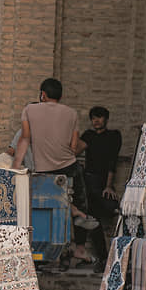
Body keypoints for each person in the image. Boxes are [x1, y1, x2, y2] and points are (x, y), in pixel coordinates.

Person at [12, 78, 99, 264]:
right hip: (70, 166)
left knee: (51, 203)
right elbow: (74, 146)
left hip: (45, 170)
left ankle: (71, 211)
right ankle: (80, 243)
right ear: (61, 96)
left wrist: (15, 168)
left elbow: (25, 140)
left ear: (42, 94)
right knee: (82, 202)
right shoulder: (71, 113)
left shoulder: (29, 110)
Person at [77, 106, 123, 268]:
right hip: (87, 182)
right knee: (88, 216)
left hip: (101, 183)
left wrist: (108, 186)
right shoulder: (88, 136)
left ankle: (99, 257)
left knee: (92, 217)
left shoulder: (113, 136)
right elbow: (74, 151)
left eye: (99, 117)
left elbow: (112, 161)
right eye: (93, 118)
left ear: (106, 119)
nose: (96, 121)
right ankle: (99, 257)